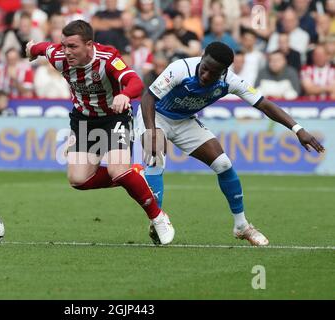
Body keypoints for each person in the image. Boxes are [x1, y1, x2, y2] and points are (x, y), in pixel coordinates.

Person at [137, 41, 325, 246]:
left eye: (213, 72)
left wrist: (298, 129)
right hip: (154, 116)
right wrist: (151, 131)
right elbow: (148, 98)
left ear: (224, 71)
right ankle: (157, 220)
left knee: (223, 164)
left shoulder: (230, 81)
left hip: (184, 121)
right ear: (201, 58)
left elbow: (264, 104)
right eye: (205, 67)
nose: (206, 75)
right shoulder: (180, 69)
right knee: (156, 159)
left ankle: (241, 226)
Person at [26, 19, 174, 245]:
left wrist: (125, 95)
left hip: (114, 117)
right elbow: (42, 48)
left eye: (73, 46)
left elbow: (134, 81)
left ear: (89, 45)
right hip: (84, 120)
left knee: (116, 169)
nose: (66, 51)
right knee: (78, 180)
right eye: (64, 45)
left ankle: (158, 216)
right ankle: (134, 173)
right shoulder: (59, 56)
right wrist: (31, 49)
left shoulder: (108, 58)